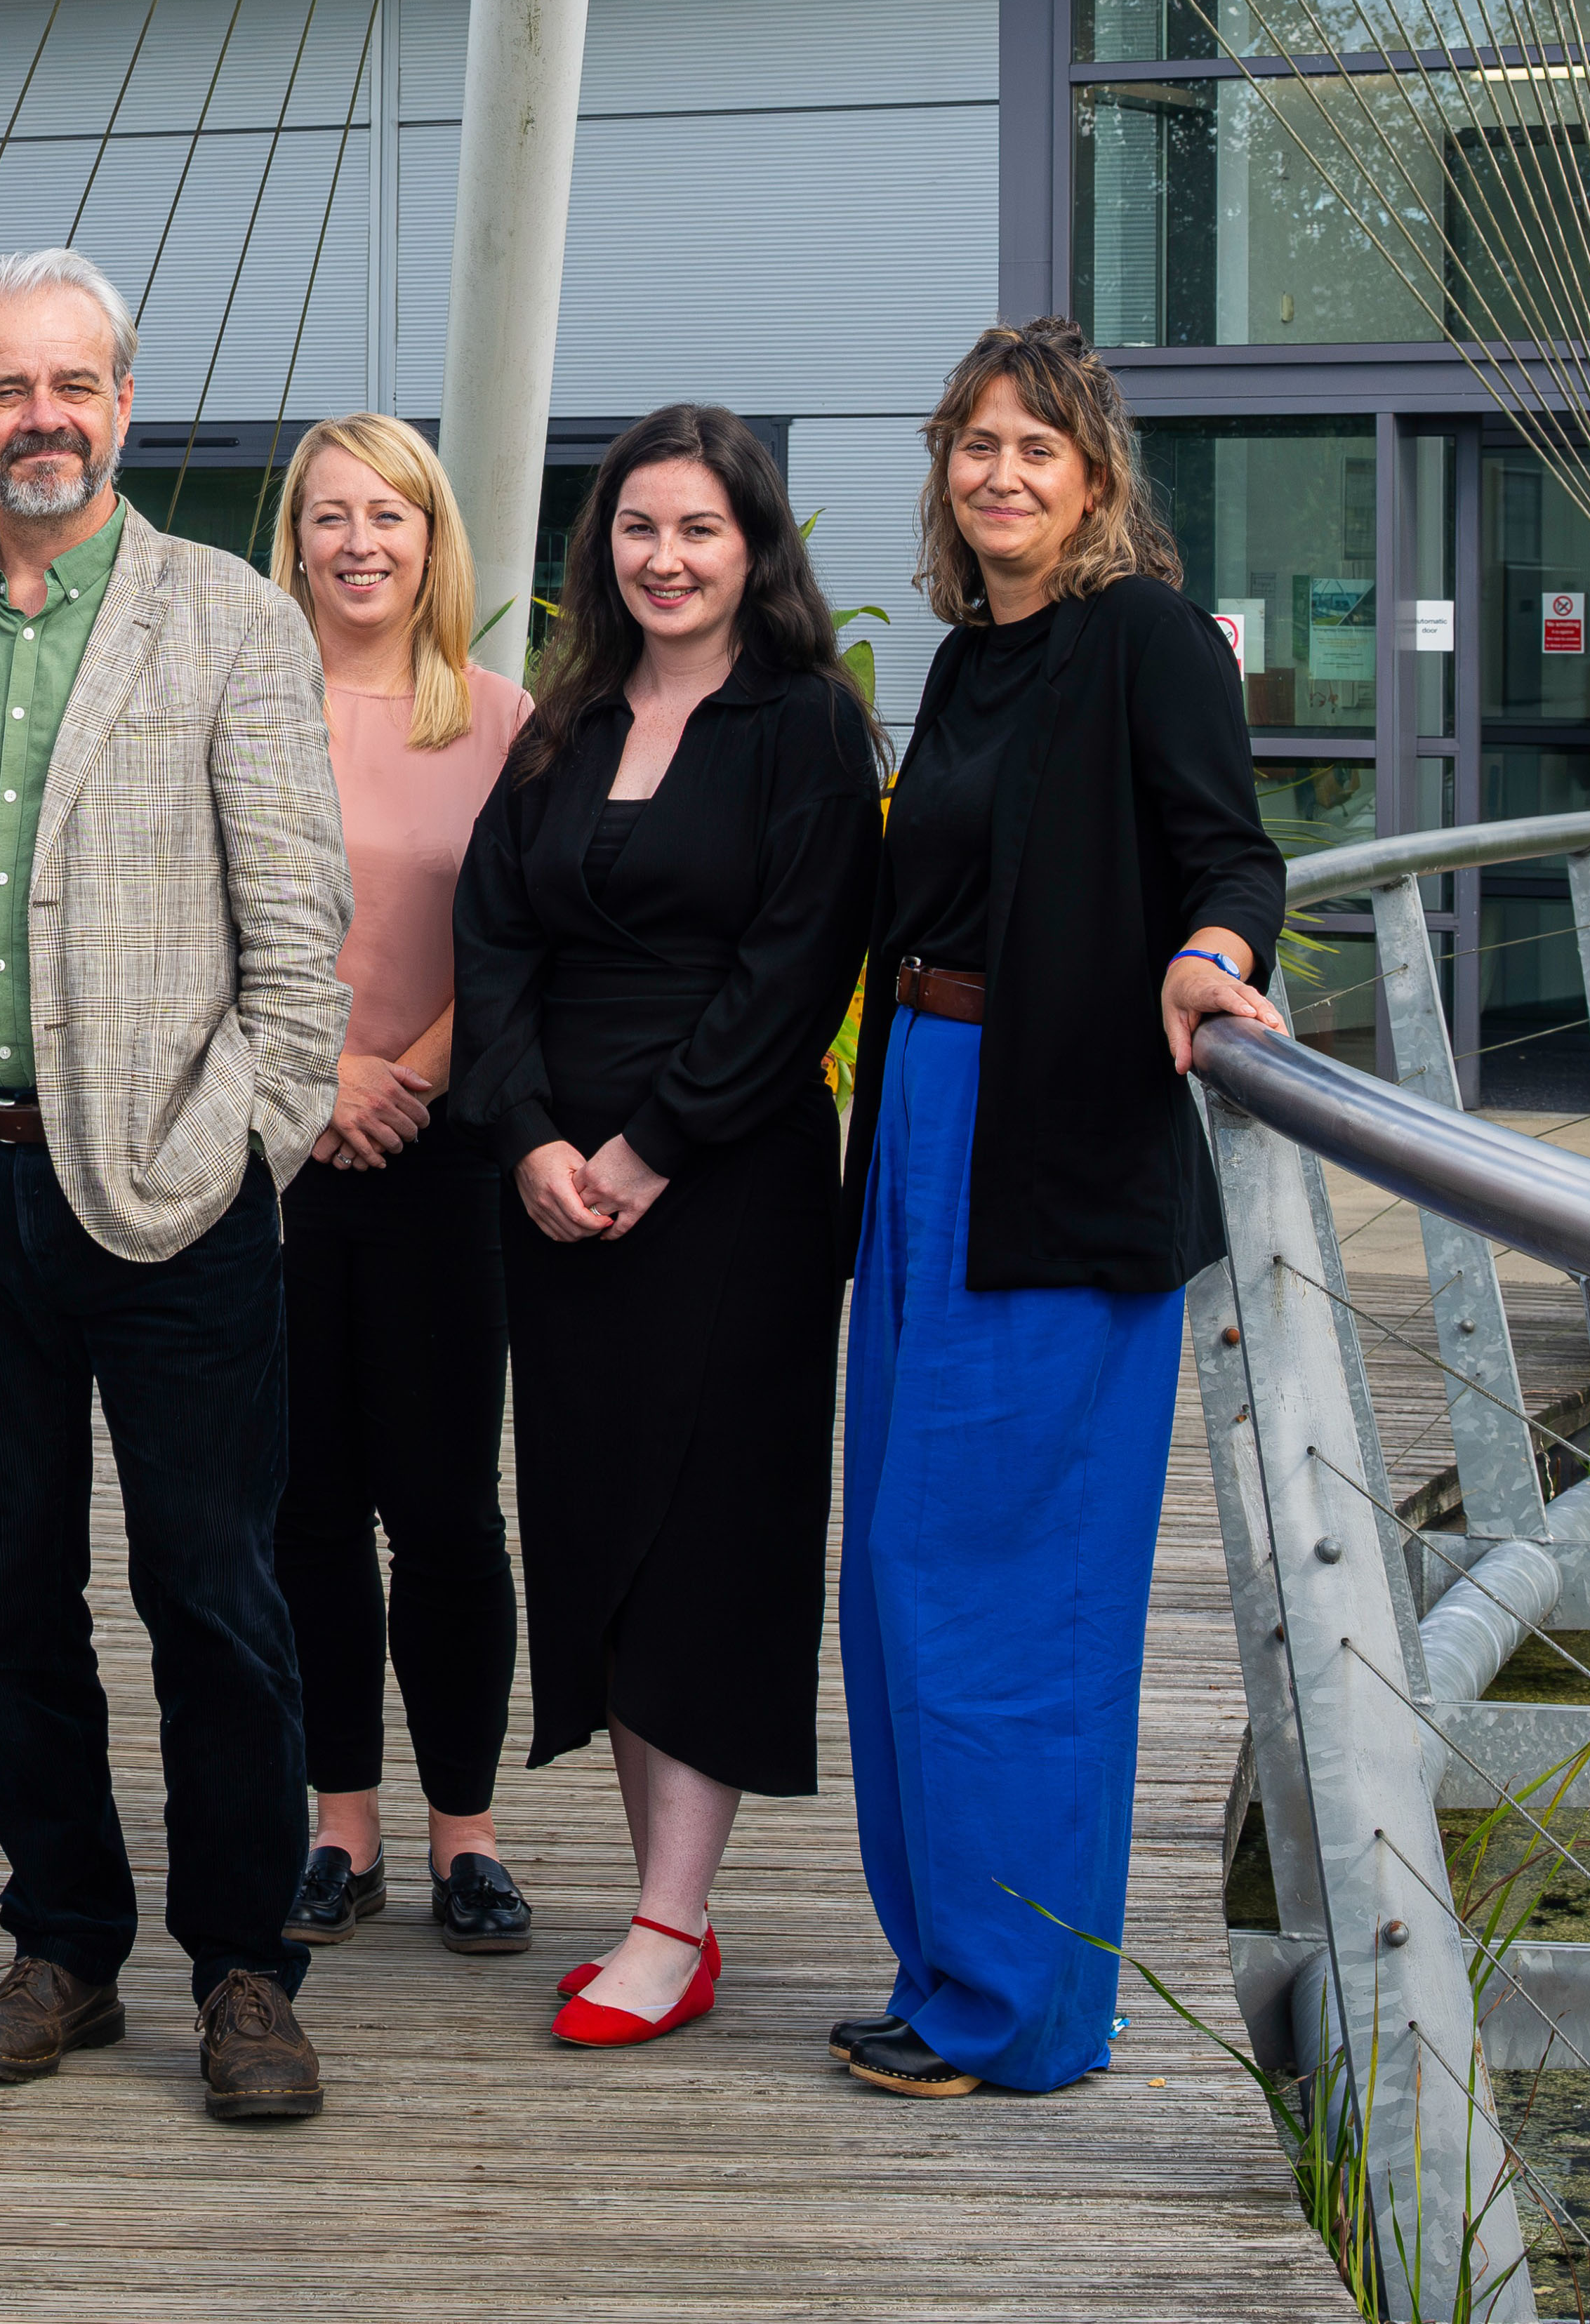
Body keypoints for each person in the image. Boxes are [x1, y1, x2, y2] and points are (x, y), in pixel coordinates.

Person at [0, 248, 351, 2125]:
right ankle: (64, 1939)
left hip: (169, 1198)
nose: (35, 415)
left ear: (120, 405)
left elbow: (301, 952)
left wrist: (231, 1146)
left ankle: (241, 1970)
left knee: (212, 1593)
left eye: (70, 385)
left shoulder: (229, 620)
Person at [836, 317, 1286, 2099]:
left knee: (1011, 1587)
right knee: (895, 1571)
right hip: (925, 1137)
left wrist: (1207, 953)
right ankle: (947, 1957)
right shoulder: (962, 664)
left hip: (1061, 1142)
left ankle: (1021, 2008)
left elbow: (1230, 849)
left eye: (1037, 443)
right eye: (973, 443)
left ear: (1095, 474)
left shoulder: (1146, 641)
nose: (1000, 471)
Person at [451, 406, 880, 2050]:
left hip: (732, 1193)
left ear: (753, 546)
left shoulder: (806, 728)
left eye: (698, 529)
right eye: (638, 529)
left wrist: (644, 1146)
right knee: (596, 1533)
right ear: (601, 548)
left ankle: (669, 1917)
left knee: (706, 1541)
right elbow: (491, 935)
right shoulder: (563, 725)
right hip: (556, 1199)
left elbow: (798, 970)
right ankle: (658, 1896)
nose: (666, 558)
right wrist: (533, 1135)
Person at [260, 412, 534, 1960]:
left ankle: (466, 1834)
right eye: (331, 514)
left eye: (392, 515)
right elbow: (205, 921)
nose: (361, 542)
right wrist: (313, 1086)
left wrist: (409, 1073)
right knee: (304, 1504)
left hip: (443, 1160)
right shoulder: (240, 705)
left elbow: (517, 937)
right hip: (274, 1155)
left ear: (434, 540)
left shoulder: (496, 719)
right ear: (292, 536)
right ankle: (339, 1824)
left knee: (444, 1505)